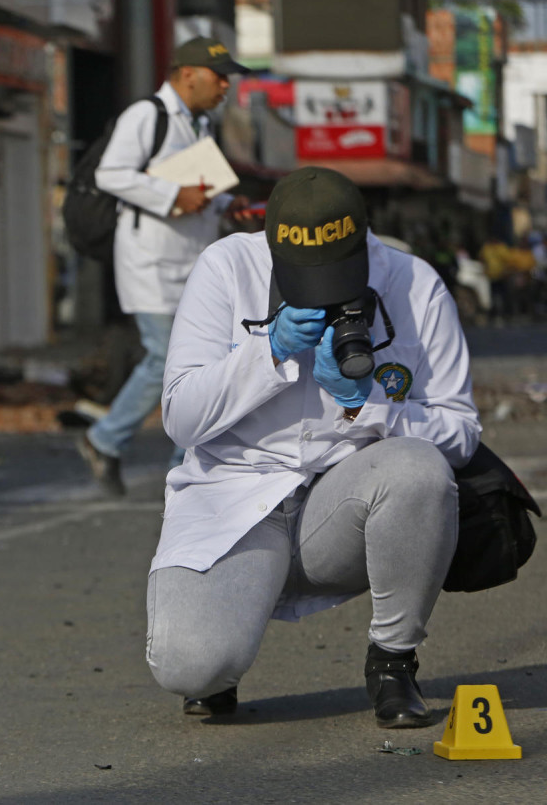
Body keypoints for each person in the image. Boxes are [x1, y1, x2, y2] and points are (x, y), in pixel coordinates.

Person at [146, 166, 480, 729]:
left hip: (342, 505)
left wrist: (366, 401)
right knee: (191, 668)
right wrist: (266, 354)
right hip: (236, 501)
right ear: (271, 245)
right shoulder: (227, 267)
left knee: (419, 469)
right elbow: (180, 417)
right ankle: (221, 661)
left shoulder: (416, 283)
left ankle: (393, 661)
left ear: (364, 240)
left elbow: (462, 433)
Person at [77, 36, 253, 497]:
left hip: (192, 261)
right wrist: (173, 196)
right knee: (163, 360)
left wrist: (232, 206)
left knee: (201, 362)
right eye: (219, 77)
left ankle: (181, 458)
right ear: (187, 74)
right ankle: (108, 440)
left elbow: (203, 192)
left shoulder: (200, 125)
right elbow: (110, 175)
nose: (225, 86)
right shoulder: (147, 116)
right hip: (150, 262)